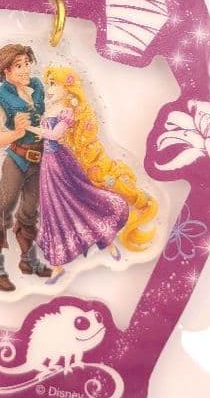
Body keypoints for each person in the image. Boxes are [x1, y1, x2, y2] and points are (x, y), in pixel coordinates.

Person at [29, 66, 158, 283]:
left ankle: (108, 241)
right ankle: (58, 265)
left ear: (67, 87)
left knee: (81, 202)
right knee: (52, 209)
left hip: (60, 161)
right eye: (48, 83)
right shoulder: (50, 108)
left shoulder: (66, 111)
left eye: (53, 84)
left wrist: (30, 128)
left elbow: (55, 135)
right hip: (47, 164)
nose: (49, 88)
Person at [0, 44, 52, 291]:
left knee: (31, 210)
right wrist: (16, 133)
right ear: (6, 70)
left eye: (27, 63)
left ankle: (28, 260)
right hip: (17, 159)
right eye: (19, 65)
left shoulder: (37, 87)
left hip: (40, 159)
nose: (25, 69)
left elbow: (49, 114)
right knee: (4, 207)